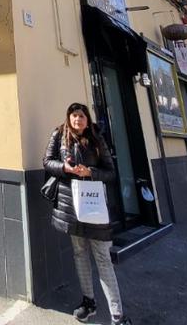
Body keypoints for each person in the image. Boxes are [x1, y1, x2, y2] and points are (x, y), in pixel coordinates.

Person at [43, 102, 131, 325]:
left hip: (94, 206)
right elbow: (47, 161)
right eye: (73, 115)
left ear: (87, 118)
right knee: (80, 253)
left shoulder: (96, 138)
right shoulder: (59, 135)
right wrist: (65, 168)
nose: (77, 119)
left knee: (102, 257)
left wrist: (90, 172)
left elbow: (110, 172)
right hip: (71, 206)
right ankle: (88, 302)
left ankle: (117, 315)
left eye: (81, 116)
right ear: (68, 117)